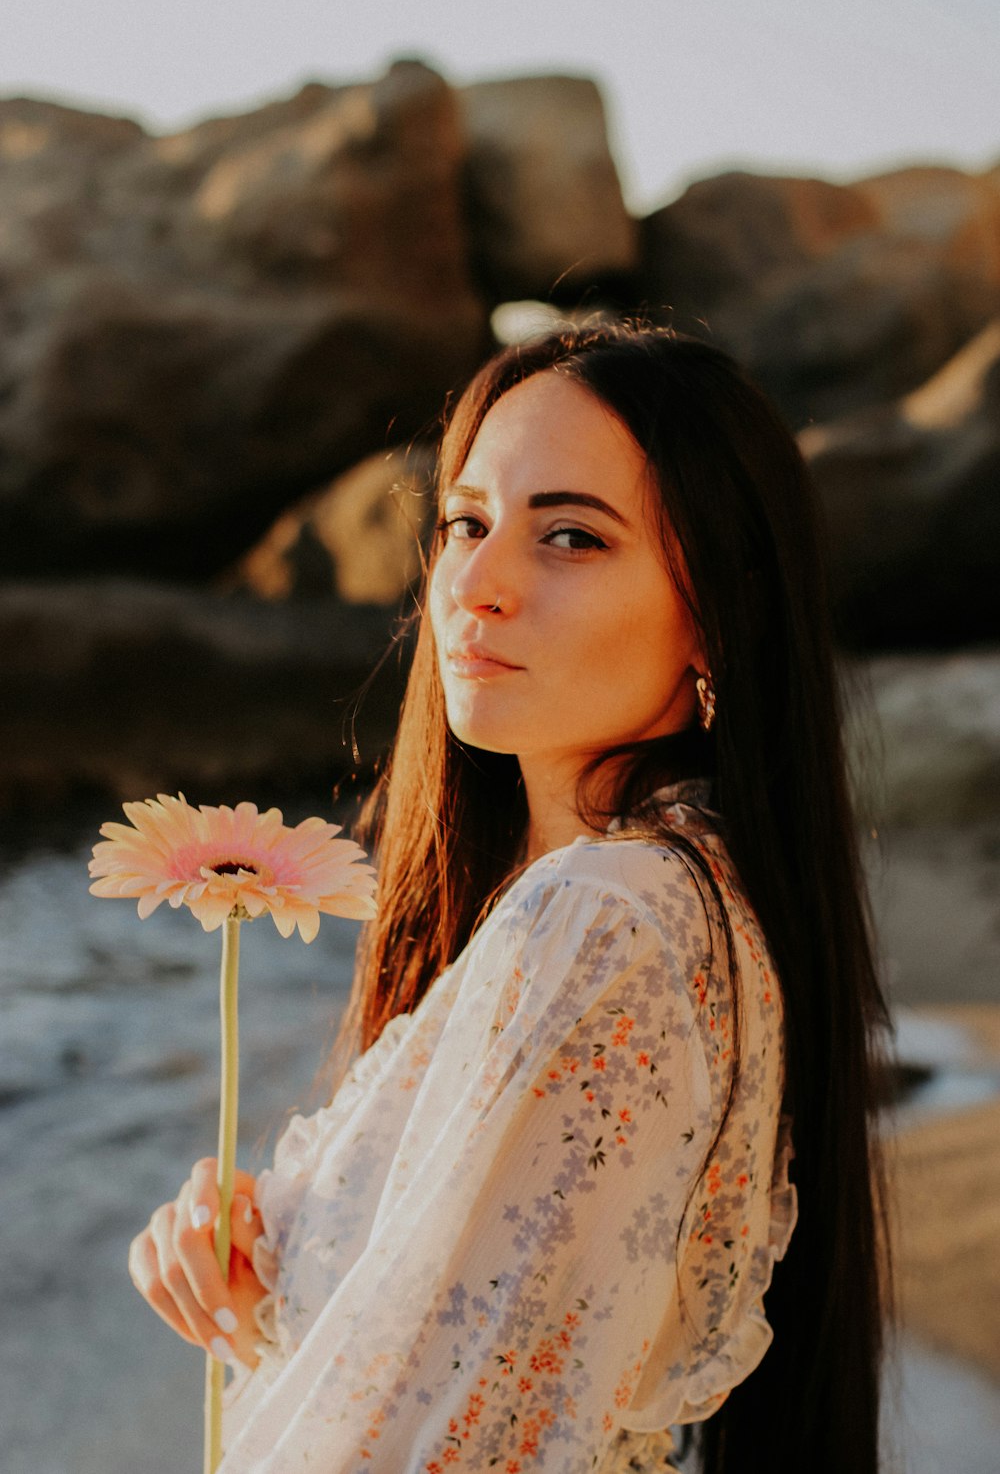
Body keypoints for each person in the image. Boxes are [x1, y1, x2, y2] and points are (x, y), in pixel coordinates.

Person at [128, 323, 892, 1474]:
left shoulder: (603, 919)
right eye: (466, 525)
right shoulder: (683, 899)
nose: (474, 588)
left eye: (572, 536)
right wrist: (275, 1252)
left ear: (717, 614)